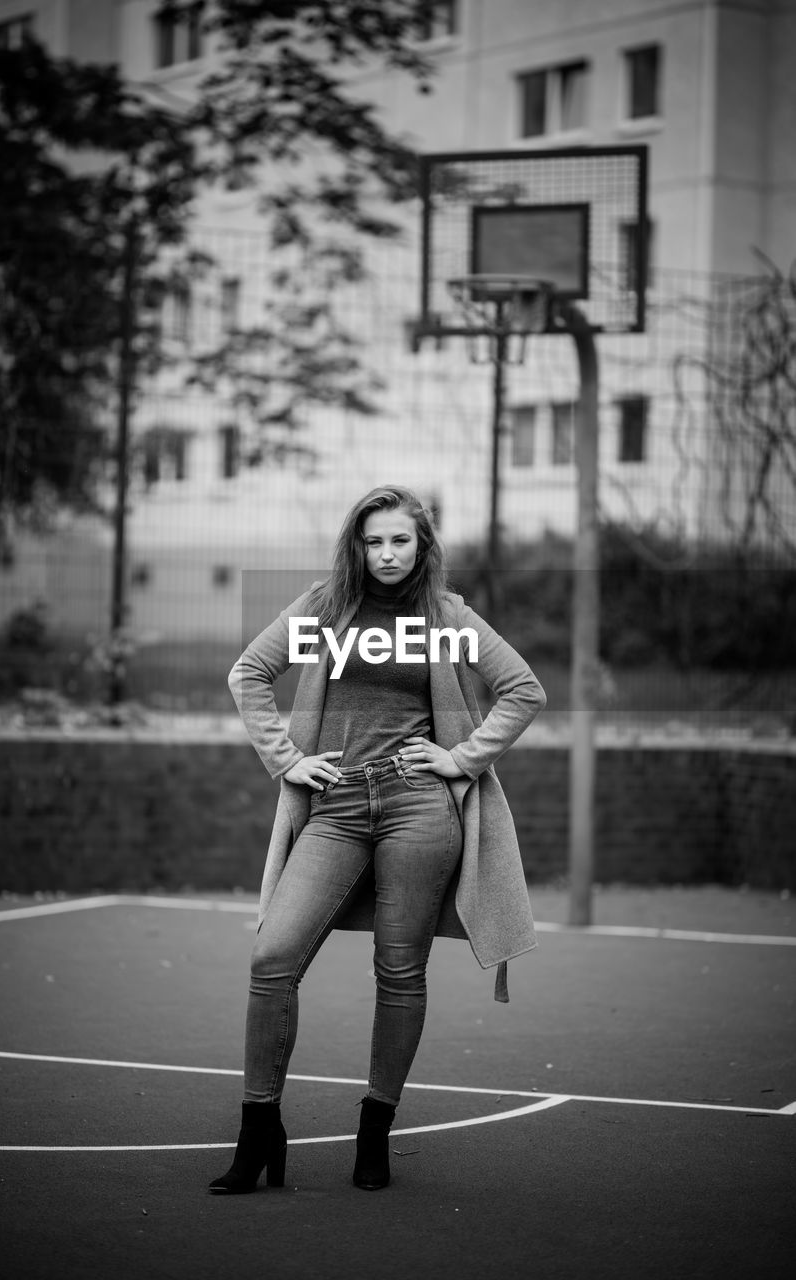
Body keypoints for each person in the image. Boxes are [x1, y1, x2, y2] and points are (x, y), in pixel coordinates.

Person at [209, 484, 546, 1195]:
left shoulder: (446, 616)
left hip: (418, 807)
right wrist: (287, 758)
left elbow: (523, 690)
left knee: (398, 971)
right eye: (373, 541)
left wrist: (459, 758)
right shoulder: (323, 608)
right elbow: (249, 673)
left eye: (400, 540)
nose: (386, 553)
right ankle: (259, 1125)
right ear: (355, 547)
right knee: (273, 955)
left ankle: (374, 1128)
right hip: (334, 807)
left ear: (421, 545)